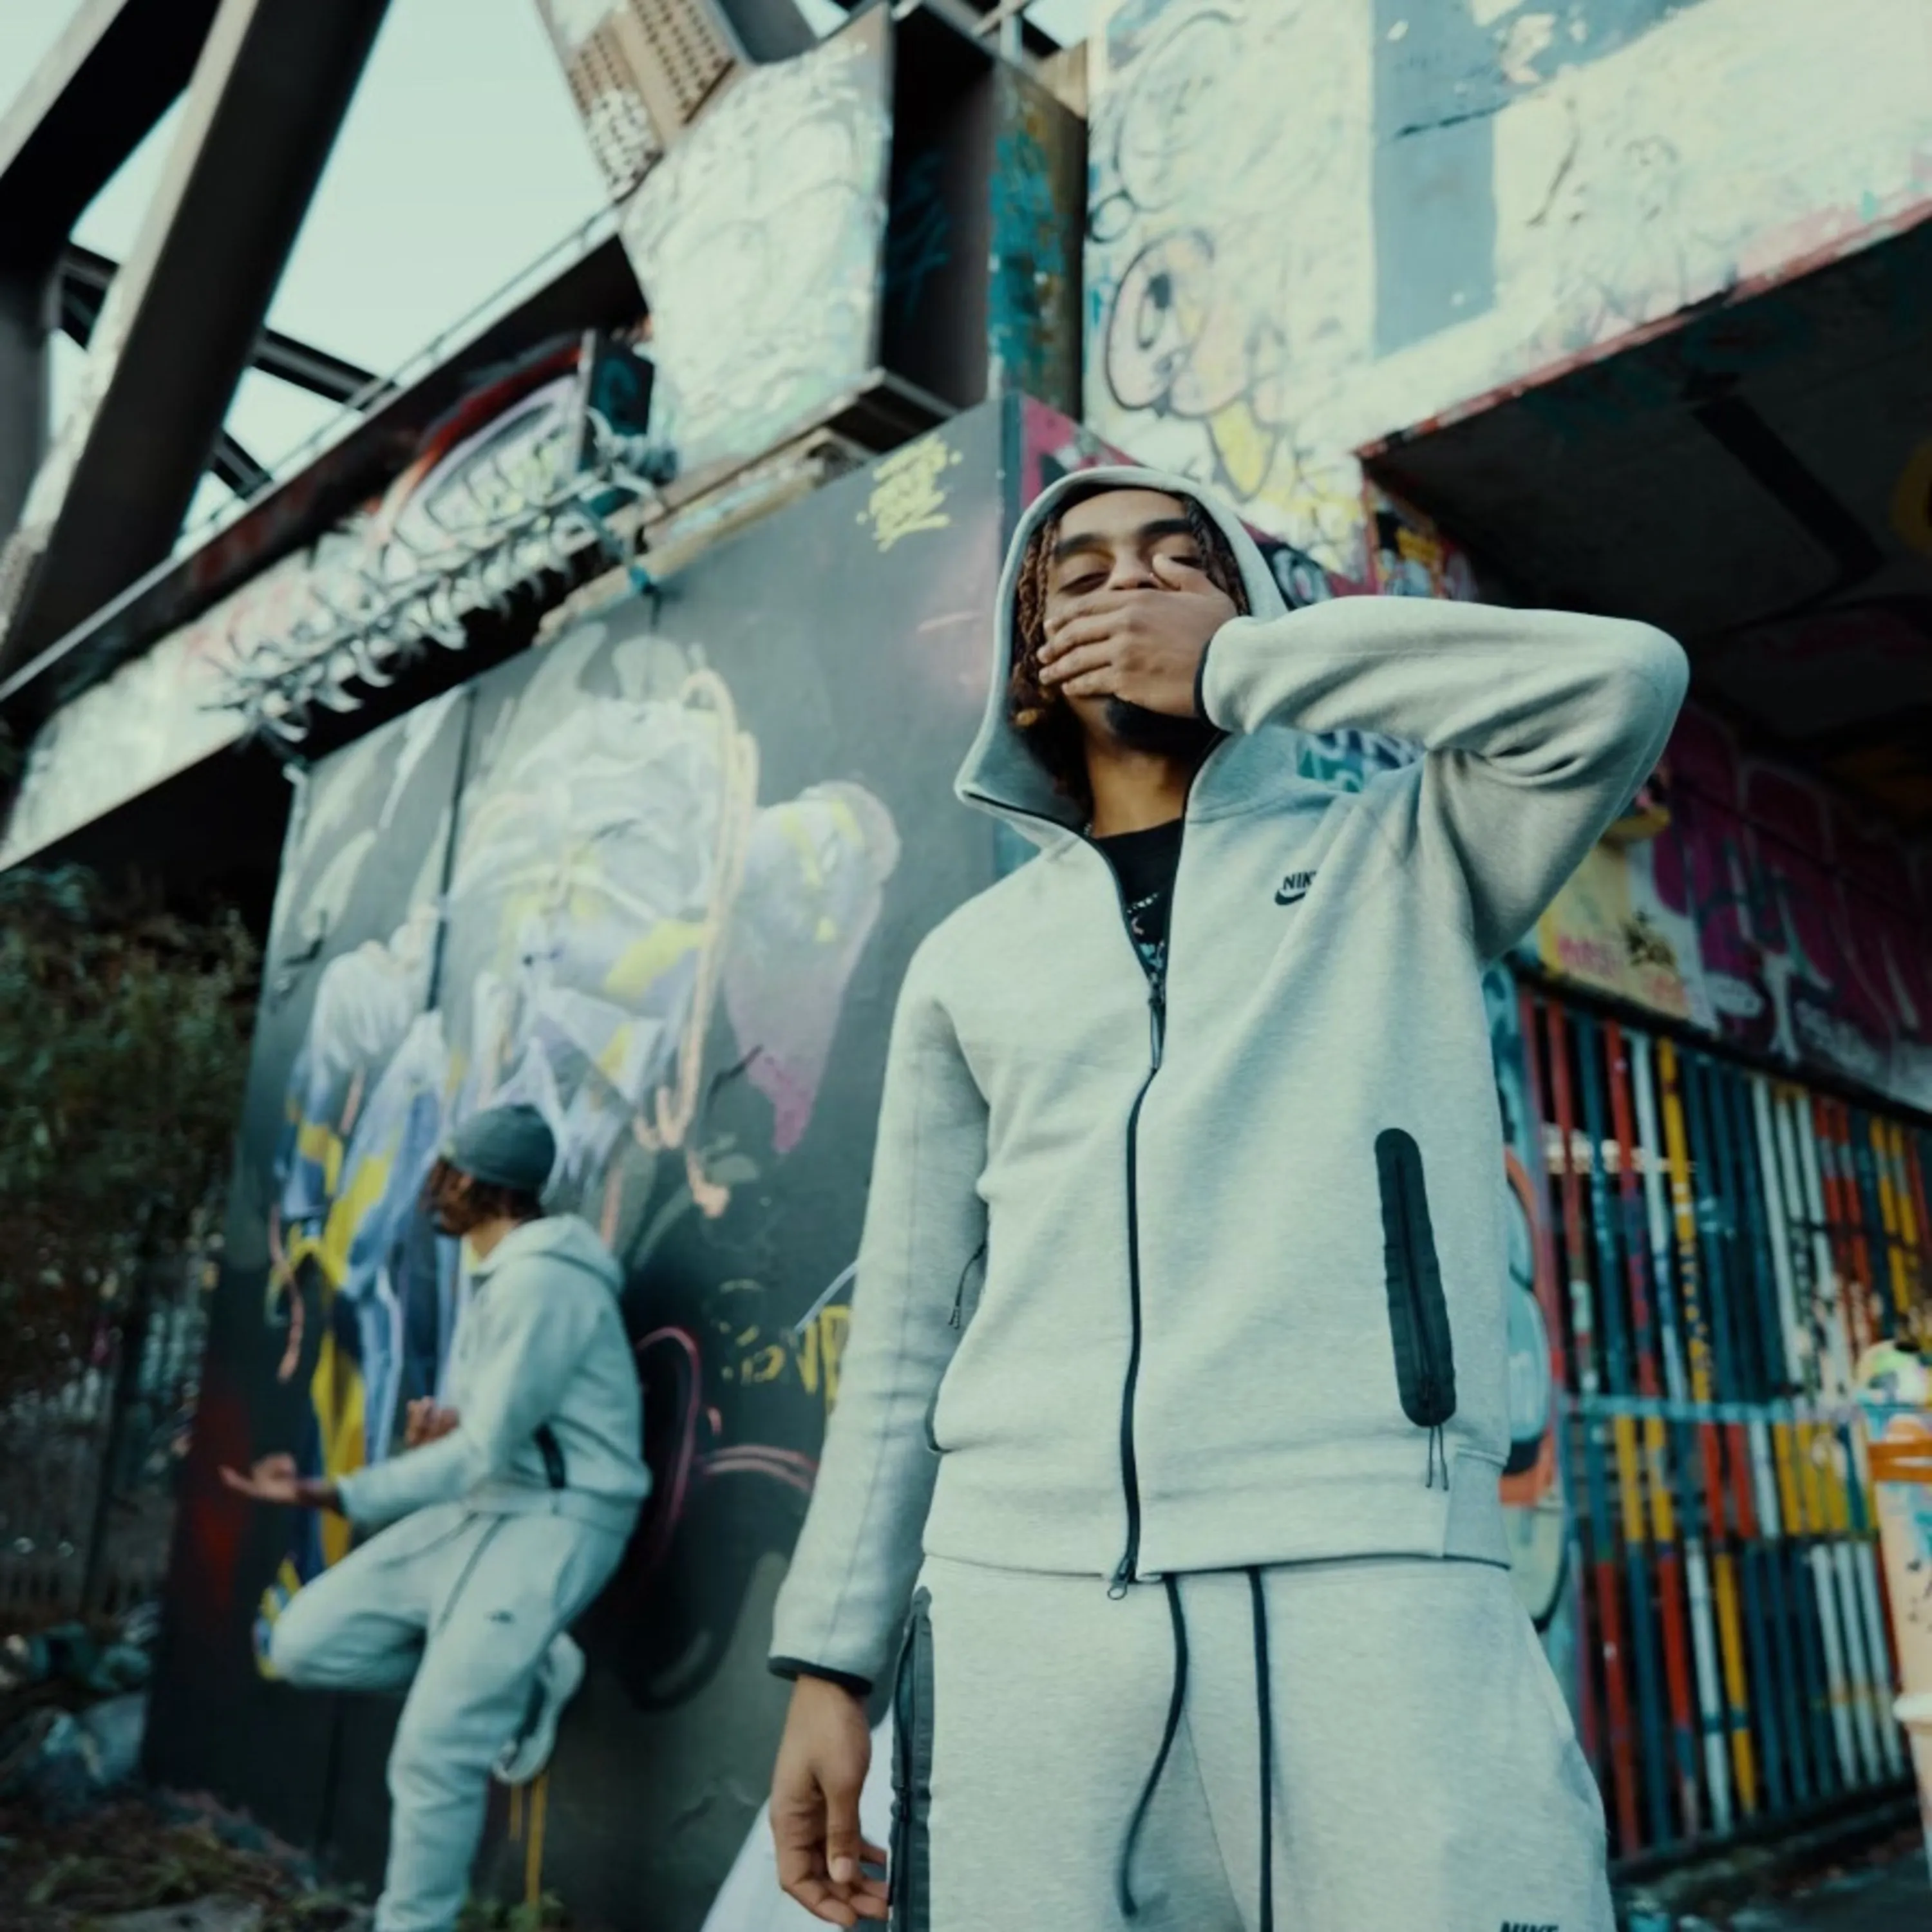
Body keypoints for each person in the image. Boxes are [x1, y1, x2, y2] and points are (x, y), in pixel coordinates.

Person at [764, 469, 1688, 1931]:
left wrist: (1240, 665)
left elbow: (1623, 681)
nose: (1130, 587)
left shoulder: (1406, 852)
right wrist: (833, 1660)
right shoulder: (969, 960)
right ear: (1030, 660)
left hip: (1372, 1580)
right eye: (1083, 577)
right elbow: (907, 1328)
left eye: (1176, 562)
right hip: (1023, 1601)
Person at [222, 1103, 649, 1932]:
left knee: (437, 1747)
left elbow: (488, 1451)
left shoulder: (542, 1280)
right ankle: (519, 1677)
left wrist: (331, 1493)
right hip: (487, 1506)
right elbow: (503, 1431)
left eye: (447, 1173)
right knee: (304, 1641)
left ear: (484, 1186)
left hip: (558, 1521)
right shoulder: (503, 1272)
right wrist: (456, 1431)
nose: (431, 1187)